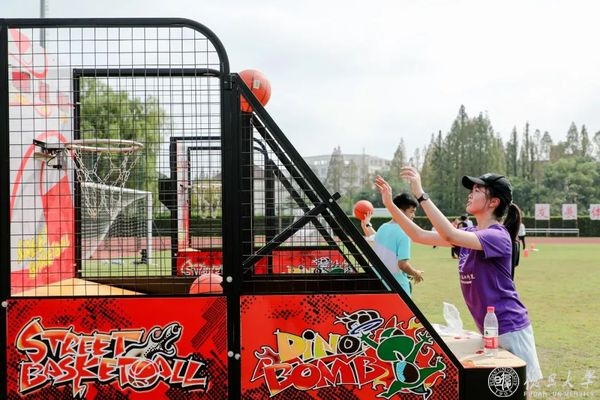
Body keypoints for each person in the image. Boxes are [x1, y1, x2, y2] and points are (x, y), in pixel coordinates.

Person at [374, 168, 542, 383]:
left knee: (514, 390)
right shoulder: (471, 234)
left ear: (493, 202)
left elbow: (450, 234)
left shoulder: (497, 236)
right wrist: (390, 205)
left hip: (510, 329)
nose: (470, 194)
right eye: (472, 190)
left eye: (478, 190)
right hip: (490, 329)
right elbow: (419, 235)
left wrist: (421, 194)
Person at [360, 193, 424, 296]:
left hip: (379, 284)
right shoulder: (404, 232)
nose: (414, 215)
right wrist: (416, 273)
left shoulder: (383, 227)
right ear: (400, 211)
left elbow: (374, 237)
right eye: (412, 211)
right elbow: (402, 265)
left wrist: (366, 224)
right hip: (398, 287)